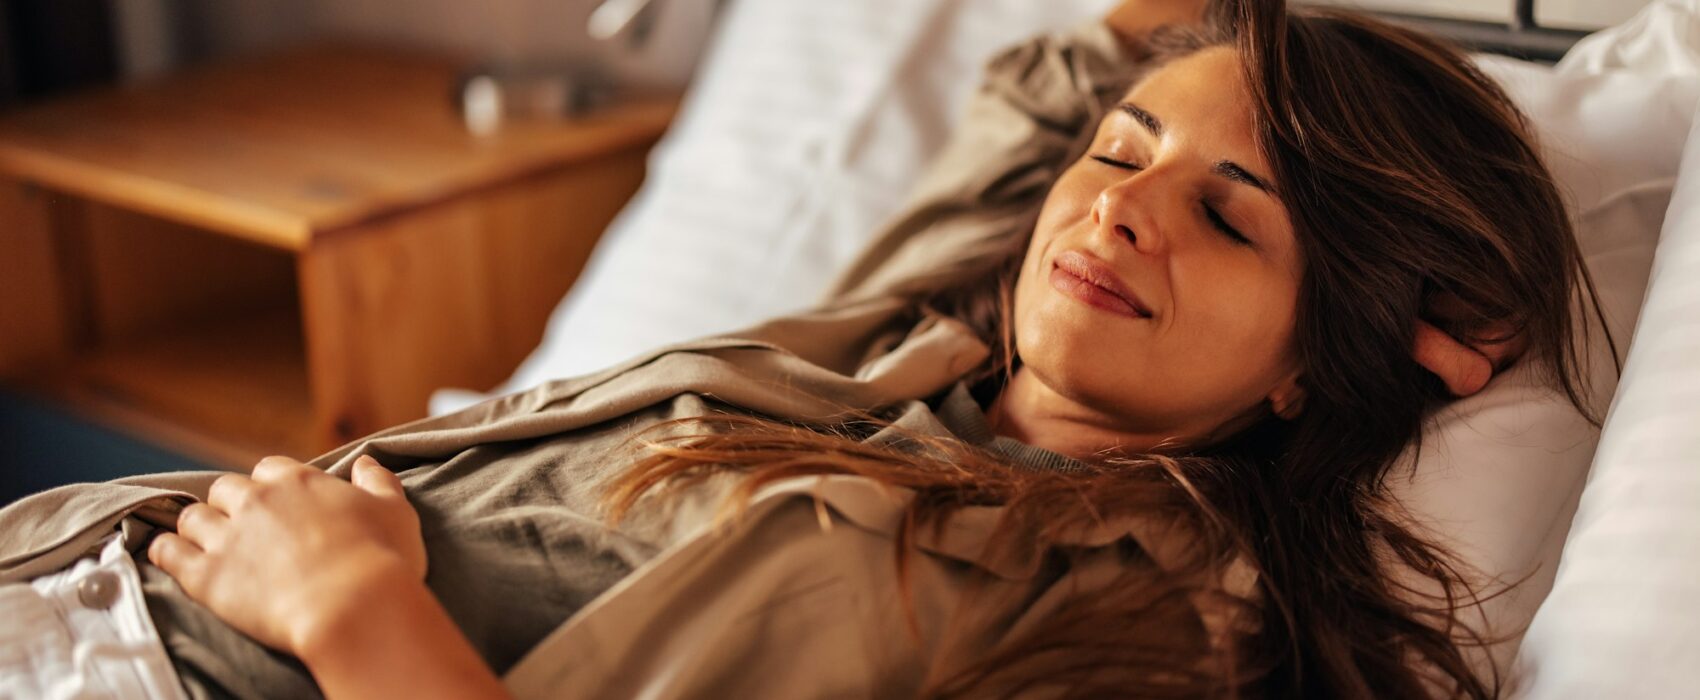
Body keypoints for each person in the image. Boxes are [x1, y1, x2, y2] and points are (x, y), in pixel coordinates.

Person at [0, 0, 1605, 697]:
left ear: (1323, 366)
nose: (1119, 216)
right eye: (1119, 160)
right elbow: (1052, 86)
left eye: (1234, 219)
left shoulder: (1150, 618)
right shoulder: (904, 344)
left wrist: (353, 612)